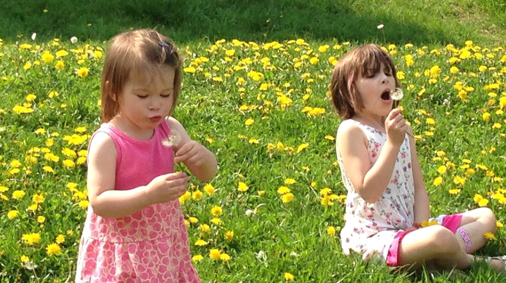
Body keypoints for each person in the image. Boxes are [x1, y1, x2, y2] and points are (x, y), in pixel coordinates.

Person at [330, 44, 505, 273]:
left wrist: (421, 225)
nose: (385, 79)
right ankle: (477, 264)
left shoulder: (404, 130)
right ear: (348, 92)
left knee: (485, 217)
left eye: (388, 73)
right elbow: (368, 192)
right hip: (377, 236)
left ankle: (439, 256)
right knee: (439, 237)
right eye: (372, 75)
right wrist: (392, 144)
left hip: (411, 229)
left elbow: (419, 188)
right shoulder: (352, 131)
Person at [75, 29, 217, 282]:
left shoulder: (168, 132)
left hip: (161, 242)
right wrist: (149, 195)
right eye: (143, 96)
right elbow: (99, 201)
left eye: (165, 94)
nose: (156, 105)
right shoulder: (109, 142)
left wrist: (200, 154)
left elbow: (207, 173)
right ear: (114, 91)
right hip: (122, 246)